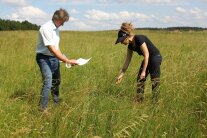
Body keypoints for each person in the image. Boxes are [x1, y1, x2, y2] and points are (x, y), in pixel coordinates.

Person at [36, 8, 78, 111]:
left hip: (54, 58)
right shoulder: (45, 28)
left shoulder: (56, 29)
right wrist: (67, 61)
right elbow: (52, 50)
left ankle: (55, 104)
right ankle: (43, 109)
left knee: (56, 81)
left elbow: (56, 49)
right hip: (44, 58)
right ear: (57, 18)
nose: (63, 24)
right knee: (48, 82)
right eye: (62, 22)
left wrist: (66, 59)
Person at [115, 22, 162, 103]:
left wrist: (143, 72)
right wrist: (121, 74)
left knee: (155, 80)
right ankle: (139, 100)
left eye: (121, 41)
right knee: (140, 79)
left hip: (155, 57)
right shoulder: (130, 46)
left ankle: (155, 103)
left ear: (126, 37)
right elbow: (127, 60)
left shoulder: (139, 38)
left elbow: (147, 54)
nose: (121, 43)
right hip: (147, 58)